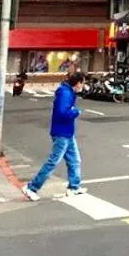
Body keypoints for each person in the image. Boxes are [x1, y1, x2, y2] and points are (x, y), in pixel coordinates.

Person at [22, 70, 87, 200]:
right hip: (61, 133)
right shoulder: (65, 93)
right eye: (83, 83)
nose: (83, 85)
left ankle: (74, 187)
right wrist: (75, 112)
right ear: (78, 83)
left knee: (74, 160)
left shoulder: (68, 91)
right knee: (53, 162)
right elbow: (62, 113)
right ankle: (31, 188)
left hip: (67, 132)